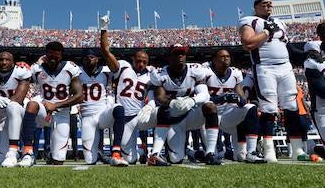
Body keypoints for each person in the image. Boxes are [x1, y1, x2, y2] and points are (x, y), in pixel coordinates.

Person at [238, 0, 307, 162]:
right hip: (265, 67)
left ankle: (297, 149)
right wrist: (267, 32)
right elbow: (248, 43)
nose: (268, 6)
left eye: (270, 4)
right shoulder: (249, 20)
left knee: (291, 106)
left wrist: (305, 55)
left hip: (285, 67)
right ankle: (269, 149)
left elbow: (286, 46)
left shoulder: (280, 22)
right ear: (255, 7)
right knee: (269, 108)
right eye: (264, 4)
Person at [148, 44, 221, 166]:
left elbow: (204, 95)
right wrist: (172, 103)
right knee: (176, 158)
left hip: (191, 114)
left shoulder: (195, 70)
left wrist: (192, 101)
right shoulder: (160, 74)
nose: (180, 56)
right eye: (177, 53)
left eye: (183, 53)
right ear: (169, 57)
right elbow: (160, 97)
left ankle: (210, 153)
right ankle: (192, 153)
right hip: (174, 119)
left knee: (210, 106)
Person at [99, 21, 156, 165]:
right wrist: (104, 29)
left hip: (138, 115)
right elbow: (106, 52)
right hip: (122, 116)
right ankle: (139, 152)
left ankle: (151, 151)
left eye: (144, 62)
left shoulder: (151, 75)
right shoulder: (124, 67)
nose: (141, 64)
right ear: (133, 59)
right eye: (139, 60)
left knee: (161, 112)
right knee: (130, 159)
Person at [19, 41, 83, 166]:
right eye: (50, 56)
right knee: (31, 104)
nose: (52, 59)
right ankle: (27, 152)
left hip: (62, 113)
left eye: (56, 56)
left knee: (58, 161)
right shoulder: (37, 68)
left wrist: (56, 105)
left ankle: (52, 155)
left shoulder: (70, 68)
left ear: (61, 55)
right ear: (45, 55)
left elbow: (79, 96)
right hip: (44, 110)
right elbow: (17, 72)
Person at [205, 49, 265, 163]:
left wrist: (239, 99)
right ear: (214, 60)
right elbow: (202, 97)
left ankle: (251, 152)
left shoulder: (235, 73)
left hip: (227, 115)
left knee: (250, 108)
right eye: (222, 56)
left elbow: (241, 97)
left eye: (227, 56)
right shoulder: (206, 72)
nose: (226, 58)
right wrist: (221, 98)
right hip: (208, 116)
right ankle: (206, 151)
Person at [78, 47, 128, 166]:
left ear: (97, 59)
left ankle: (116, 152)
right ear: (82, 60)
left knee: (119, 109)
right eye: (86, 58)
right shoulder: (76, 71)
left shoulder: (106, 71)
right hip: (87, 117)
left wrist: (107, 53)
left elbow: (116, 67)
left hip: (102, 114)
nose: (88, 60)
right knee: (90, 160)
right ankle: (99, 155)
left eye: (91, 57)